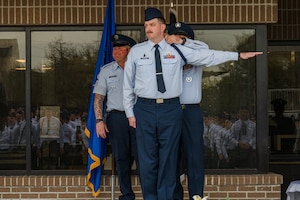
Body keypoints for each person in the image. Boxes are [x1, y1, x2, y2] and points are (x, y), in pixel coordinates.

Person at [123, 7, 262, 200]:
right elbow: (127, 84)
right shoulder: (137, 52)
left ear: (163, 27)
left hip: (170, 107)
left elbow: (208, 55)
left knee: (169, 159)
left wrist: (237, 55)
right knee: (147, 159)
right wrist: (130, 113)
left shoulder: (179, 50)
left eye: (152, 24)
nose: (148, 28)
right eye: (146, 25)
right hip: (144, 107)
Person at [93, 34, 139, 200]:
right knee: (121, 157)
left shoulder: (140, 69)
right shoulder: (107, 71)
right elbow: (98, 98)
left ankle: (150, 193)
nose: (116, 51)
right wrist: (99, 120)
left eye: (121, 48)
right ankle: (127, 194)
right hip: (117, 118)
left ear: (129, 51)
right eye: (115, 48)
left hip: (139, 117)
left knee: (143, 156)